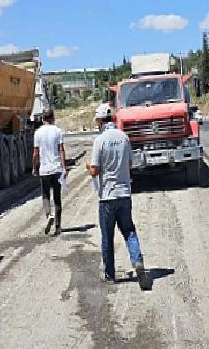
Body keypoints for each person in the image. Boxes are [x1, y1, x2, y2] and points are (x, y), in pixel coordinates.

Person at [86, 105, 151, 290]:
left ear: (100, 121)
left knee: (107, 236)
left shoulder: (99, 141)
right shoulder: (124, 137)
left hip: (107, 197)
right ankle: (137, 262)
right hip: (124, 194)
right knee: (129, 231)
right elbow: (130, 162)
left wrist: (88, 167)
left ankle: (110, 275)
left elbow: (95, 170)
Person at [33, 108, 68, 236]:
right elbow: (61, 150)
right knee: (57, 198)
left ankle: (49, 215)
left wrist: (35, 167)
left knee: (46, 196)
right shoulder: (58, 131)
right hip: (56, 169)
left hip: (45, 170)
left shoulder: (37, 133)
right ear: (53, 118)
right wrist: (64, 167)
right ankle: (58, 227)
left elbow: (35, 153)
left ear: (42, 119)